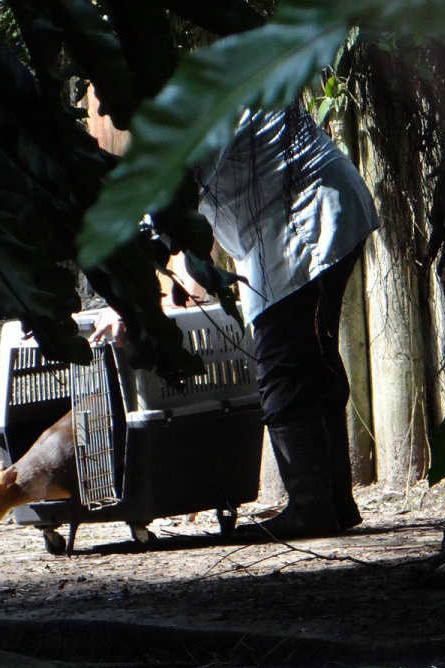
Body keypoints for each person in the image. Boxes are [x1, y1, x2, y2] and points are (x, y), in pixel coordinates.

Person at [90, 105, 378, 540]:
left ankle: (311, 507)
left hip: (303, 219)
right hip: (328, 205)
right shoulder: (201, 89)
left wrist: (128, 304)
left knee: (284, 363)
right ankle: (332, 504)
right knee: (311, 358)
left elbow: (166, 214)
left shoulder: (186, 112)